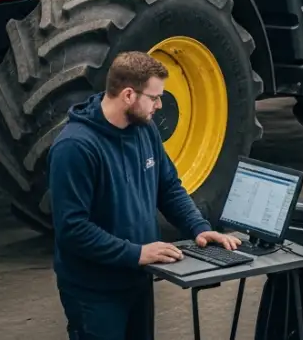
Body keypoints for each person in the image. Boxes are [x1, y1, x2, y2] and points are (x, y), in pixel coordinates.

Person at [48, 51, 241, 340]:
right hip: (94, 293)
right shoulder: (75, 148)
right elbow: (73, 229)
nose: (159, 105)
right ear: (128, 95)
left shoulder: (144, 130)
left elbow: (169, 187)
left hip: (137, 279)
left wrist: (199, 227)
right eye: (154, 97)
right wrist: (137, 253)